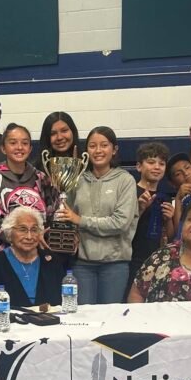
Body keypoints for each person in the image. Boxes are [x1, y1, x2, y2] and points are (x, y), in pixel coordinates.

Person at [55, 127, 138, 304]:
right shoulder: (76, 179)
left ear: (114, 149)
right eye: (92, 146)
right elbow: (66, 216)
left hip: (115, 264)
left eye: (104, 145)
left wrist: (80, 221)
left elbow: (120, 223)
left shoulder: (126, 181)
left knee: (109, 318)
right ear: (86, 151)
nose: (98, 150)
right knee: (83, 318)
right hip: (82, 265)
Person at [0, 123, 59, 258]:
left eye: (24, 143)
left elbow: (52, 215)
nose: (19, 147)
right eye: (13, 143)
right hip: (4, 254)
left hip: (38, 252)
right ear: (3, 148)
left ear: (30, 149)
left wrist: (42, 237)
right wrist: (26, 239)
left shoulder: (42, 179)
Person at [0, 207, 68, 309]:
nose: (29, 237)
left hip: (48, 322)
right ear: (10, 232)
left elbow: (63, 303)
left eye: (34, 230)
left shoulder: (52, 261)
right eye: (23, 230)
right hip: (11, 322)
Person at [128, 141, 175, 288]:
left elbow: (171, 237)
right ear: (139, 166)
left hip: (156, 259)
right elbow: (123, 227)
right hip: (131, 258)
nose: (156, 167)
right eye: (151, 162)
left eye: (161, 164)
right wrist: (139, 208)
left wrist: (168, 220)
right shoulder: (129, 192)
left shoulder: (165, 197)